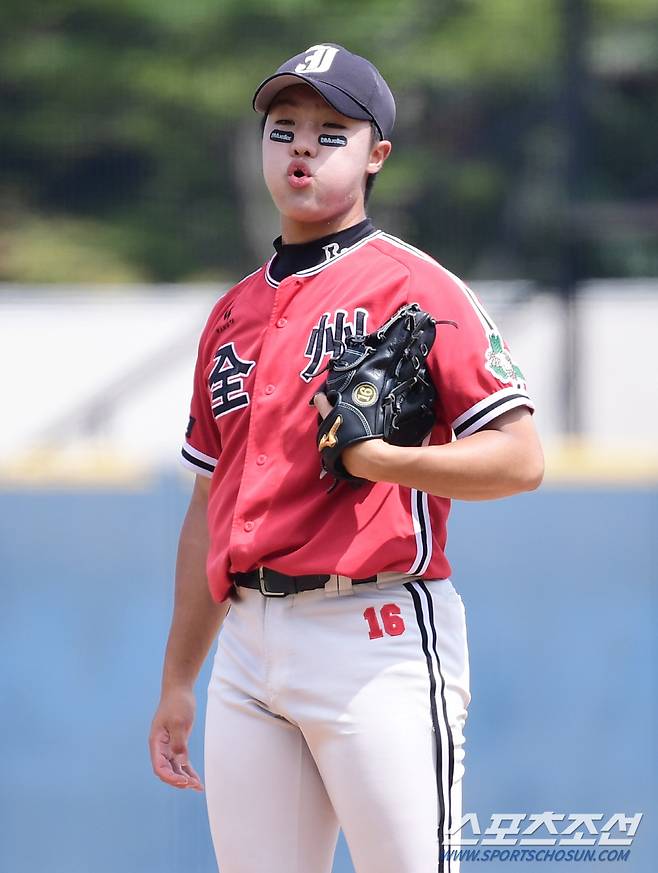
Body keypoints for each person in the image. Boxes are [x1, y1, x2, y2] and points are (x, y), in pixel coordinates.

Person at [148, 43, 544, 873]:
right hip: (249, 650)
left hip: (377, 636)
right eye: (283, 127)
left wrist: (387, 461)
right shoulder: (232, 314)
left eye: (331, 132)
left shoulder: (416, 287)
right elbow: (207, 505)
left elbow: (519, 458)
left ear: (376, 157)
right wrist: (180, 676)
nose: (300, 146)